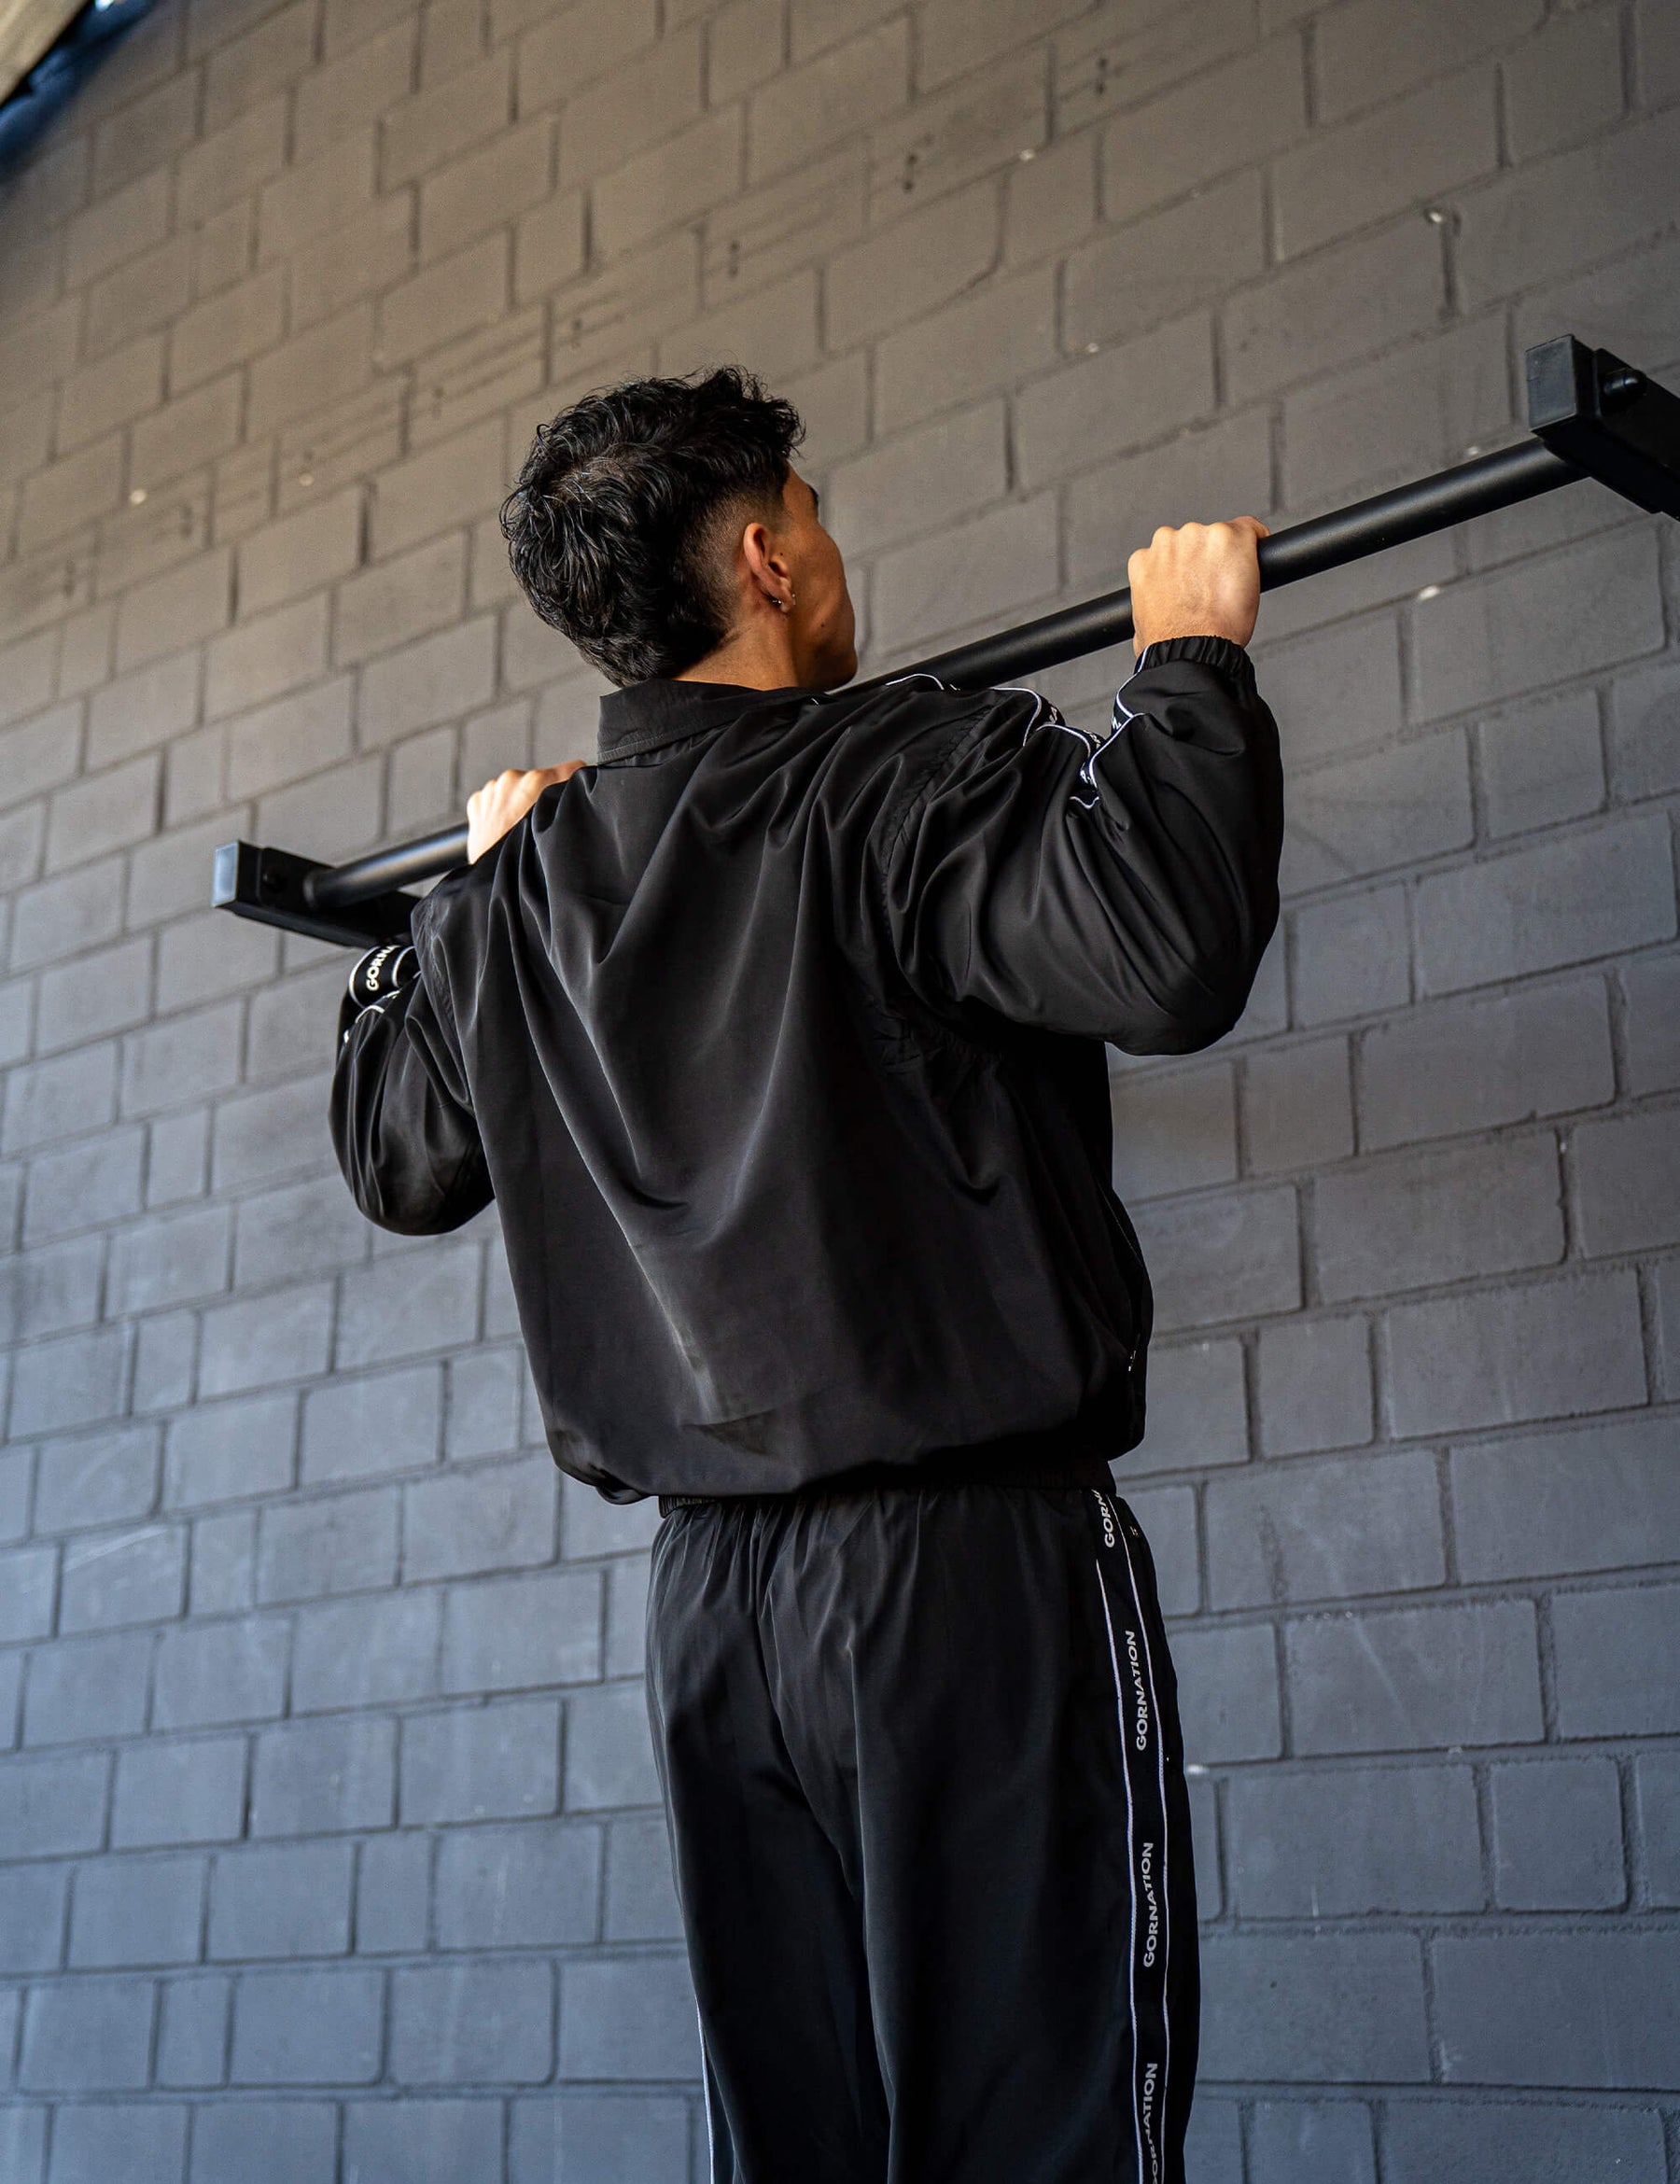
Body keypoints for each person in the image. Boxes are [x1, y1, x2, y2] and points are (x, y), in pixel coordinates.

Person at [329, 367, 1282, 2184]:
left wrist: (462, 895)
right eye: (819, 519)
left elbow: (392, 1153)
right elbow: (1162, 955)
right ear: (770, 556)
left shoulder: (527, 892)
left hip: (710, 1616)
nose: (839, 556)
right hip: (965, 1578)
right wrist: (1189, 666)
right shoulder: (907, 767)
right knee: (1037, 2140)